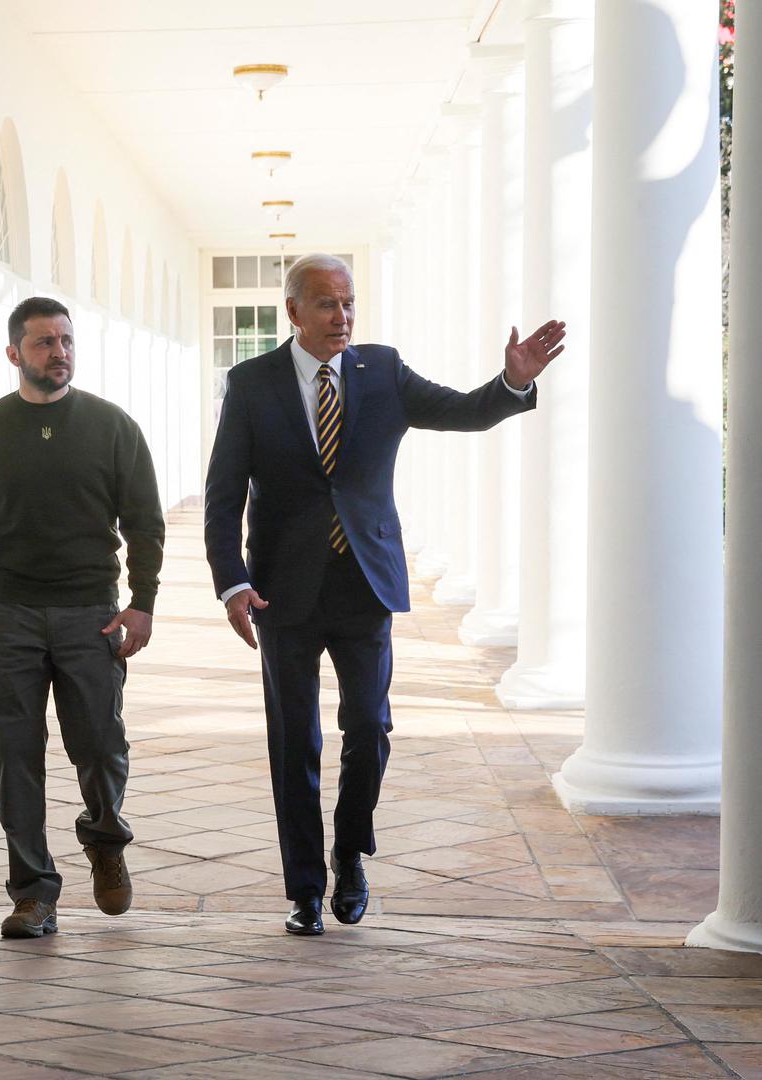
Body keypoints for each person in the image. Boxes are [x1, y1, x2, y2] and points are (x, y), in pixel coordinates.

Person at [203, 254, 566, 935]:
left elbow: (463, 412)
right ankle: (305, 890)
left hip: (365, 584)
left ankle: (349, 849)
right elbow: (223, 497)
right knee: (294, 741)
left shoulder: (383, 370)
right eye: (325, 304)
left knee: (368, 728)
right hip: (281, 591)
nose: (341, 316)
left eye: (348, 302)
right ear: (293, 312)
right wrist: (233, 582)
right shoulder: (251, 385)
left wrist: (511, 383)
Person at [0, 296, 164, 939]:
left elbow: (145, 524)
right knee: (15, 755)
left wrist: (141, 602)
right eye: (43, 343)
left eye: (65, 340)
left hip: (91, 614)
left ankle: (105, 836)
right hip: (9, 615)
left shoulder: (112, 427)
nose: (58, 352)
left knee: (99, 745)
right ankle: (33, 892)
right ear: (14, 354)